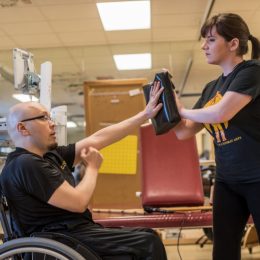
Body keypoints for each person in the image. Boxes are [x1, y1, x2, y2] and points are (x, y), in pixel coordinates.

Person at [0, 83, 168, 259]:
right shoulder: (25, 164)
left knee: (148, 235)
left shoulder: (49, 156)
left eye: (50, 117)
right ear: (22, 128)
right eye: (43, 118)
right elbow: (78, 202)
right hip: (58, 240)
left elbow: (98, 138)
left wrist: (145, 115)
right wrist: (93, 168)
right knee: (148, 244)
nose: (52, 124)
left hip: (73, 234)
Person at [172, 13, 260, 260]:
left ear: (233, 44)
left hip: (257, 177)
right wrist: (167, 108)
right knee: (223, 251)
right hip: (227, 181)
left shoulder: (252, 71)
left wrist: (182, 110)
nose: (204, 46)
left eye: (211, 40)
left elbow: (222, 112)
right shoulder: (211, 88)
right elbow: (184, 131)